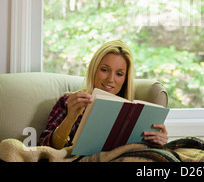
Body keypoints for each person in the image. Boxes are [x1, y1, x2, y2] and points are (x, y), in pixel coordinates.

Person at [38, 40, 168, 149]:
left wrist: (159, 141)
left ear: (125, 79)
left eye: (119, 74)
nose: (110, 79)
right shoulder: (69, 101)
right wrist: (70, 118)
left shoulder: (132, 113)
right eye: (104, 70)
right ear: (94, 70)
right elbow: (45, 148)